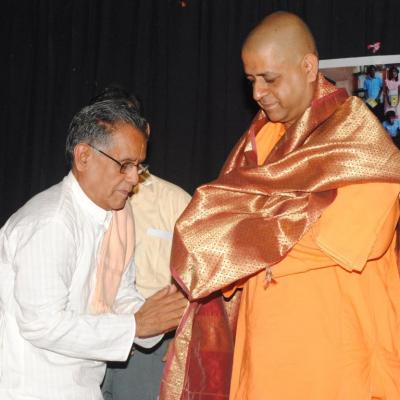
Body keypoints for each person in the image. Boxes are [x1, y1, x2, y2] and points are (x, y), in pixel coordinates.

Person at [160, 11, 400, 400]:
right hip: (264, 361)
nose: (257, 93)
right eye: (252, 80)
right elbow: (221, 226)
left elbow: (350, 241)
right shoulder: (260, 141)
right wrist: (250, 239)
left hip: (335, 363)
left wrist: (245, 242)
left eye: (270, 79)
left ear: (308, 67)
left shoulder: (359, 142)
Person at [0, 99, 187, 400]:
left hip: (81, 386)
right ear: (84, 156)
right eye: (124, 165)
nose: (134, 178)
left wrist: (160, 314)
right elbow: (41, 324)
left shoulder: (117, 216)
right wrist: (135, 325)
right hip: (31, 386)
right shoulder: (52, 221)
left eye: (139, 166)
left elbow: (119, 294)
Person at [92, 87, 191, 400]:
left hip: (149, 351)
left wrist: (186, 335)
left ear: (145, 131)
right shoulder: (72, 206)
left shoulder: (175, 202)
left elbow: (202, 280)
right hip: (86, 342)